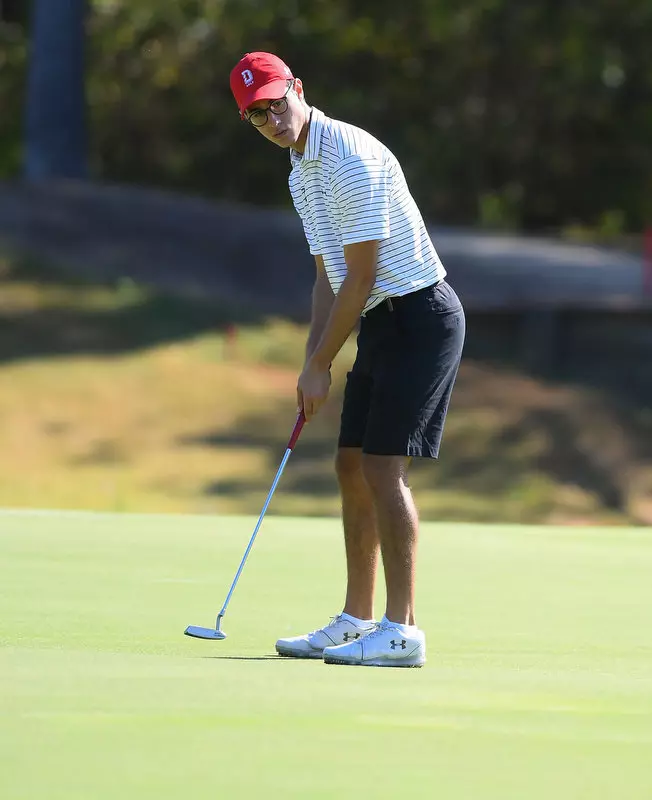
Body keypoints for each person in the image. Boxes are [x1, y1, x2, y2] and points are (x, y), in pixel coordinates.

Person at [229, 52, 465, 667]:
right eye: (257, 116)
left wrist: (323, 362)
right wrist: (312, 361)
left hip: (421, 318)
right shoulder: (298, 170)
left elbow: (360, 278)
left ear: (298, 89)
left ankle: (402, 631)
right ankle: (357, 618)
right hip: (382, 324)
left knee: (385, 470)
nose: (272, 119)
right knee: (350, 464)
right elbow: (326, 279)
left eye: (276, 103)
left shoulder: (350, 158)